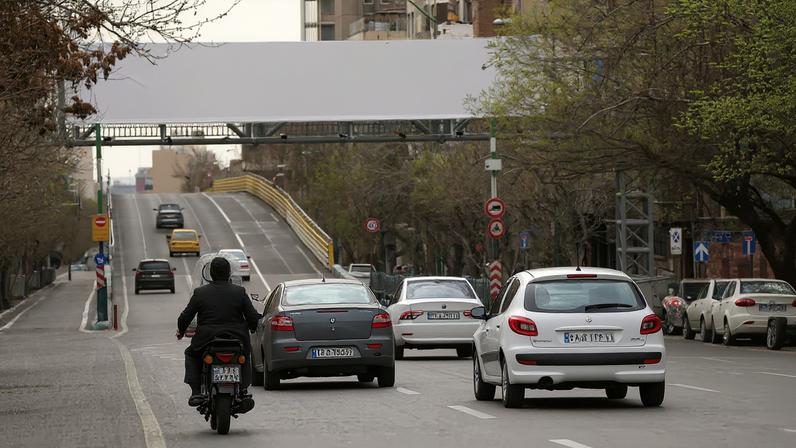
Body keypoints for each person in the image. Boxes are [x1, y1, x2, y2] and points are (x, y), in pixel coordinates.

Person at [176, 257, 261, 412]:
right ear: (229, 273)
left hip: (206, 339)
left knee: (191, 354)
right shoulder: (239, 292)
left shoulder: (200, 293)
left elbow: (185, 317)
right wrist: (253, 326)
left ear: (211, 273)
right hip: (237, 339)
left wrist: (181, 331)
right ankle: (242, 390)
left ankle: (196, 392)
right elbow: (253, 317)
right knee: (245, 356)